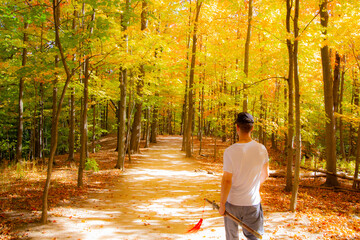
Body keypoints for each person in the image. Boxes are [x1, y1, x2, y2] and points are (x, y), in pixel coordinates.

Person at [218, 112, 269, 240]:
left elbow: (227, 180)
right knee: (253, 237)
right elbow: (266, 174)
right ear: (252, 128)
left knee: (232, 237)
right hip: (252, 203)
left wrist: (222, 204)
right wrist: (253, 186)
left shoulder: (230, 151)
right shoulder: (261, 149)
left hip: (233, 202)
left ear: (237, 128)